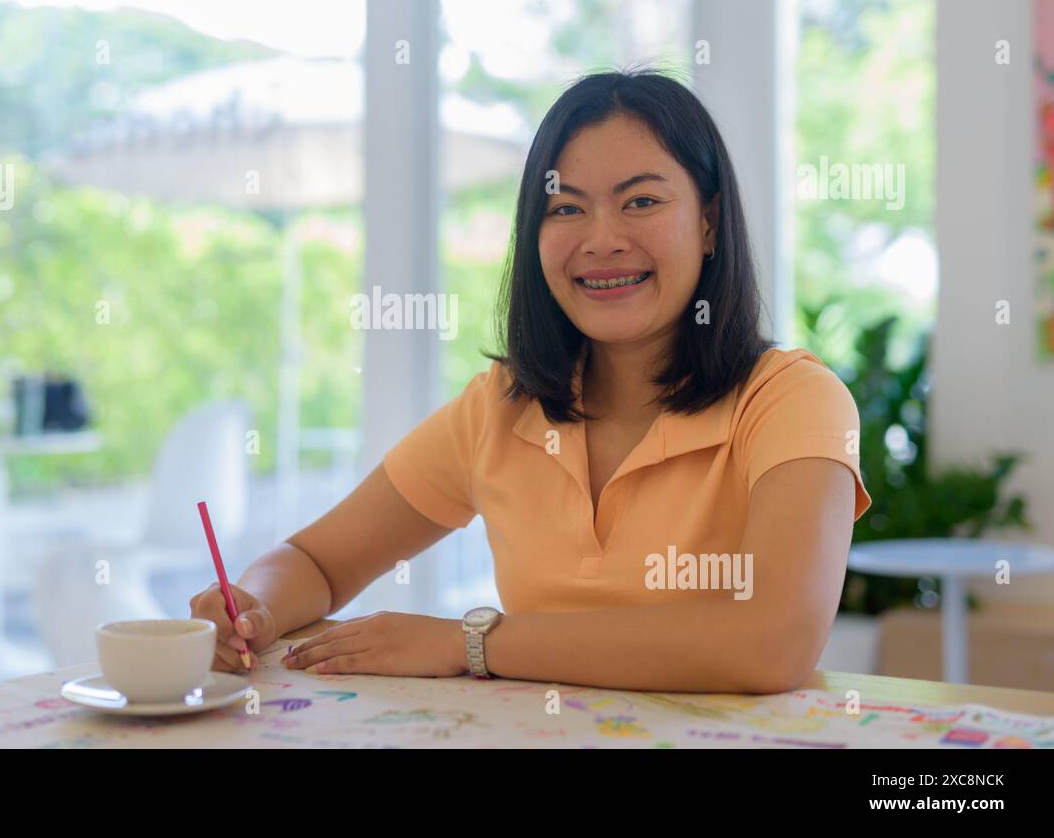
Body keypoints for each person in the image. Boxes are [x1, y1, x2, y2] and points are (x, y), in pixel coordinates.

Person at [190, 68, 871, 693]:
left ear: (709, 221)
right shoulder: (500, 405)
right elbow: (318, 560)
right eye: (565, 207)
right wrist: (253, 606)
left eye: (640, 201)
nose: (601, 239)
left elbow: (771, 641)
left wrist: (470, 643)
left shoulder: (791, 401)